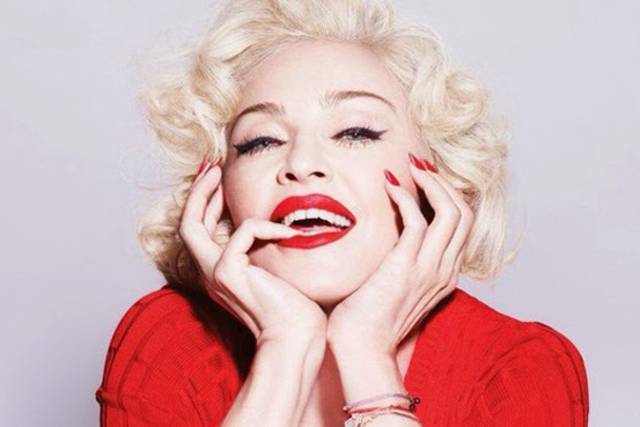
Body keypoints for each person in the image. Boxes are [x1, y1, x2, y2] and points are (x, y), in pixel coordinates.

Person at [95, 0, 589, 425]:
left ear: (435, 177)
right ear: (218, 189)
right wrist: (284, 347)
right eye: (261, 140)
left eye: (355, 132)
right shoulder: (170, 342)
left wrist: (366, 352)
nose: (301, 164)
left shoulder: (518, 368)